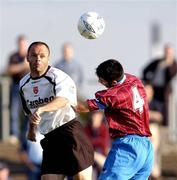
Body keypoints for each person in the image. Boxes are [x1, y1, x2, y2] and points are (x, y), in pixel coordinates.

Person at [19, 41, 94, 180]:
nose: (38, 59)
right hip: (50, 139)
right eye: (34, 55)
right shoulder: (23, 84)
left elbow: (63, 100)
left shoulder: (58, 77)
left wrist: (42, 109)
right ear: (27, 58)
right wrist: (31, 130)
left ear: (48, 58)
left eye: (42, 55)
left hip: (70, 133)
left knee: (82, 178)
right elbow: (30, 113)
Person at [76, 59, 154, 180]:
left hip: (128, 147)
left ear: (113, 82)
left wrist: (63, 101)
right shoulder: (134, 80)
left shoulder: (114, 95)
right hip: (146, 147)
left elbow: (83, 107)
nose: (99, 81)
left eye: (101, 80)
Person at [142, 44, 177, 126]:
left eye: (169, 53)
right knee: (151, 104)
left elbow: (171, 76)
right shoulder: (158, 61)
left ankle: (165, 124)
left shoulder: (174, 64)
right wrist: (147, 81)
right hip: (154, 89)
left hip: (164, 91)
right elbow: (145, 70)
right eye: (166, 52)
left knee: (164, 108)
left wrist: (168, 65)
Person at [7, 35, 29, 141]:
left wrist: (26, 65)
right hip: (16, 86)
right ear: (18, 44)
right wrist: (22, 66)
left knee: (28, 112)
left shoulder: (30, 55)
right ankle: (14, 134)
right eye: (20, 44)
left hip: (29, 87)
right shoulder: (13, 56)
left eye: (23, 43)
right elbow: (10, 69)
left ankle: (25, 133)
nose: (22, 46)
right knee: (14, 111)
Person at [144, 82, 163, 180]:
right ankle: (153, 171)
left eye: (149, 90)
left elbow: (159, 117)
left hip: (152, 130)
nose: (147, 92)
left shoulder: (156, 103)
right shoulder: (139, 103)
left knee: (153, 129)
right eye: (145, 90)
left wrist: (145, 114)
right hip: (142, 131)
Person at [84, 111, 110, 179]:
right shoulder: (86, 128)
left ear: (101, 117)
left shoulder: (104, 129)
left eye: (97, 115)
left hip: (100, 157)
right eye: (94, 115)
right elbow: (84, 144)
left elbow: (104, 144)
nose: (95, 117)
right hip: (88, 158)